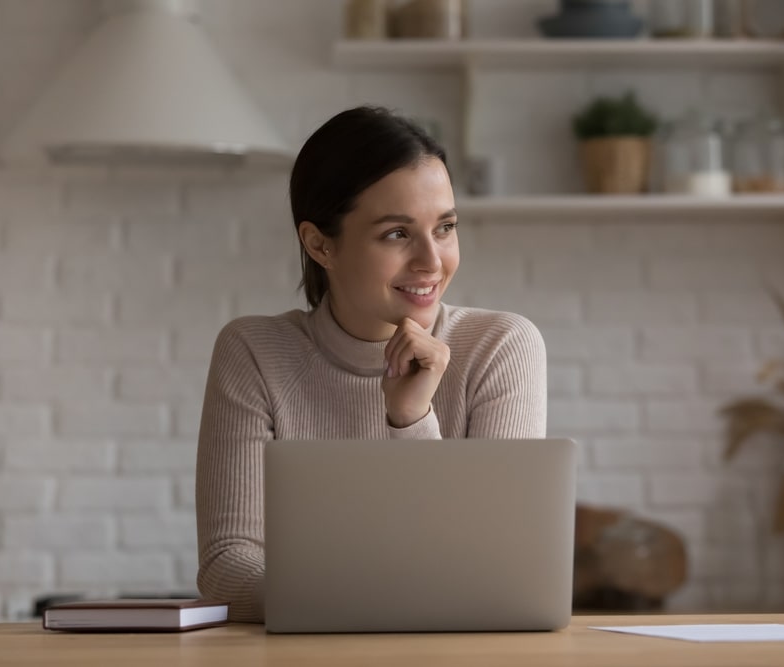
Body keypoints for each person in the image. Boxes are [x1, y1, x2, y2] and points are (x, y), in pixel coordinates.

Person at [195, 105, 547, 622]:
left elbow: (496, 570)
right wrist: (379, 597)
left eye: (445, 227)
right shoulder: (254, 351)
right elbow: (226, 568)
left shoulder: (500, 347)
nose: (432, 260)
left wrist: (410, 420)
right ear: (320, 245)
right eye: (397, 234)